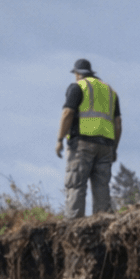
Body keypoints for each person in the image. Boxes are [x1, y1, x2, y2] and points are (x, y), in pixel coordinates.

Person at [57, 58, 121, 218]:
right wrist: (114, 148)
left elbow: (67, 113)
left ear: (78, 74)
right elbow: (118, 123)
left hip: (82, 145)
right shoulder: (110, 92)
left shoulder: (78, 87)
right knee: (102, 188)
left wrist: (59, 139)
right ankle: (101, 225)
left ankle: (74, 228)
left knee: (76, 185)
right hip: (106, 146)